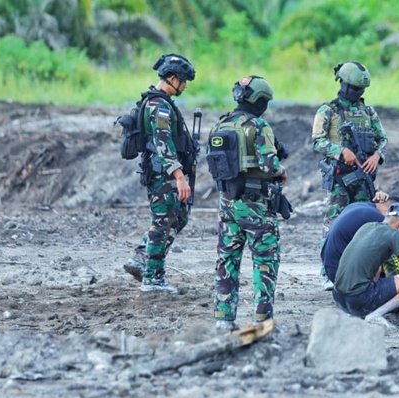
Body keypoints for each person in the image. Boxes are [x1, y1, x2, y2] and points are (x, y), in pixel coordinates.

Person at [207, 75, 287, 330]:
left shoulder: (221, 124)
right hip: (257, 207)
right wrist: (280, 170)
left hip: (227, 204)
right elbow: (269, 165)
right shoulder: (259, 126)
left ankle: (224, 319)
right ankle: (262, 320)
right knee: (264, 261)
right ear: (259, 100)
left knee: (227, 260)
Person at [122, 53, 197, 293]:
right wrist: (179, 177)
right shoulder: (159, 106)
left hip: (164, 173)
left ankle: (141, 256)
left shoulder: (160, 103)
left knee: (178, 218)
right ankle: (153, 278)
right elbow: (163, 144)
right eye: (183, 81)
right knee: (163, 222)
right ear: (172, 78)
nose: (184, 86)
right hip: (163, 175)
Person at [312, 61, 388, 291]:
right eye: (352, 87)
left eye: (360, 89)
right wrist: (340, 151)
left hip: (364, 176)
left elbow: (382, 139)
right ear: (342, 83)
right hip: (340, 178)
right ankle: (327, 271)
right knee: (334, 223)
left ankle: (361, 269)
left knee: (365, 223)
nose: (356, 92)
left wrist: (377, 156)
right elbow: (318, 141)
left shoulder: (368, 111)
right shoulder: (328, 110)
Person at [333, 203, 399, 324]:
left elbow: (375, 271)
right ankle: (375, 315)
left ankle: (362, 313)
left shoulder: (366, 227)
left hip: (339, 299)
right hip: (358, 300)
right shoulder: (395, 233)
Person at [321, 195, 399, 283]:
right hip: (342, 276)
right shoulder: (378, 219)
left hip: (331, 268)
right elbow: (392, 262)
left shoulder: (359, 206)